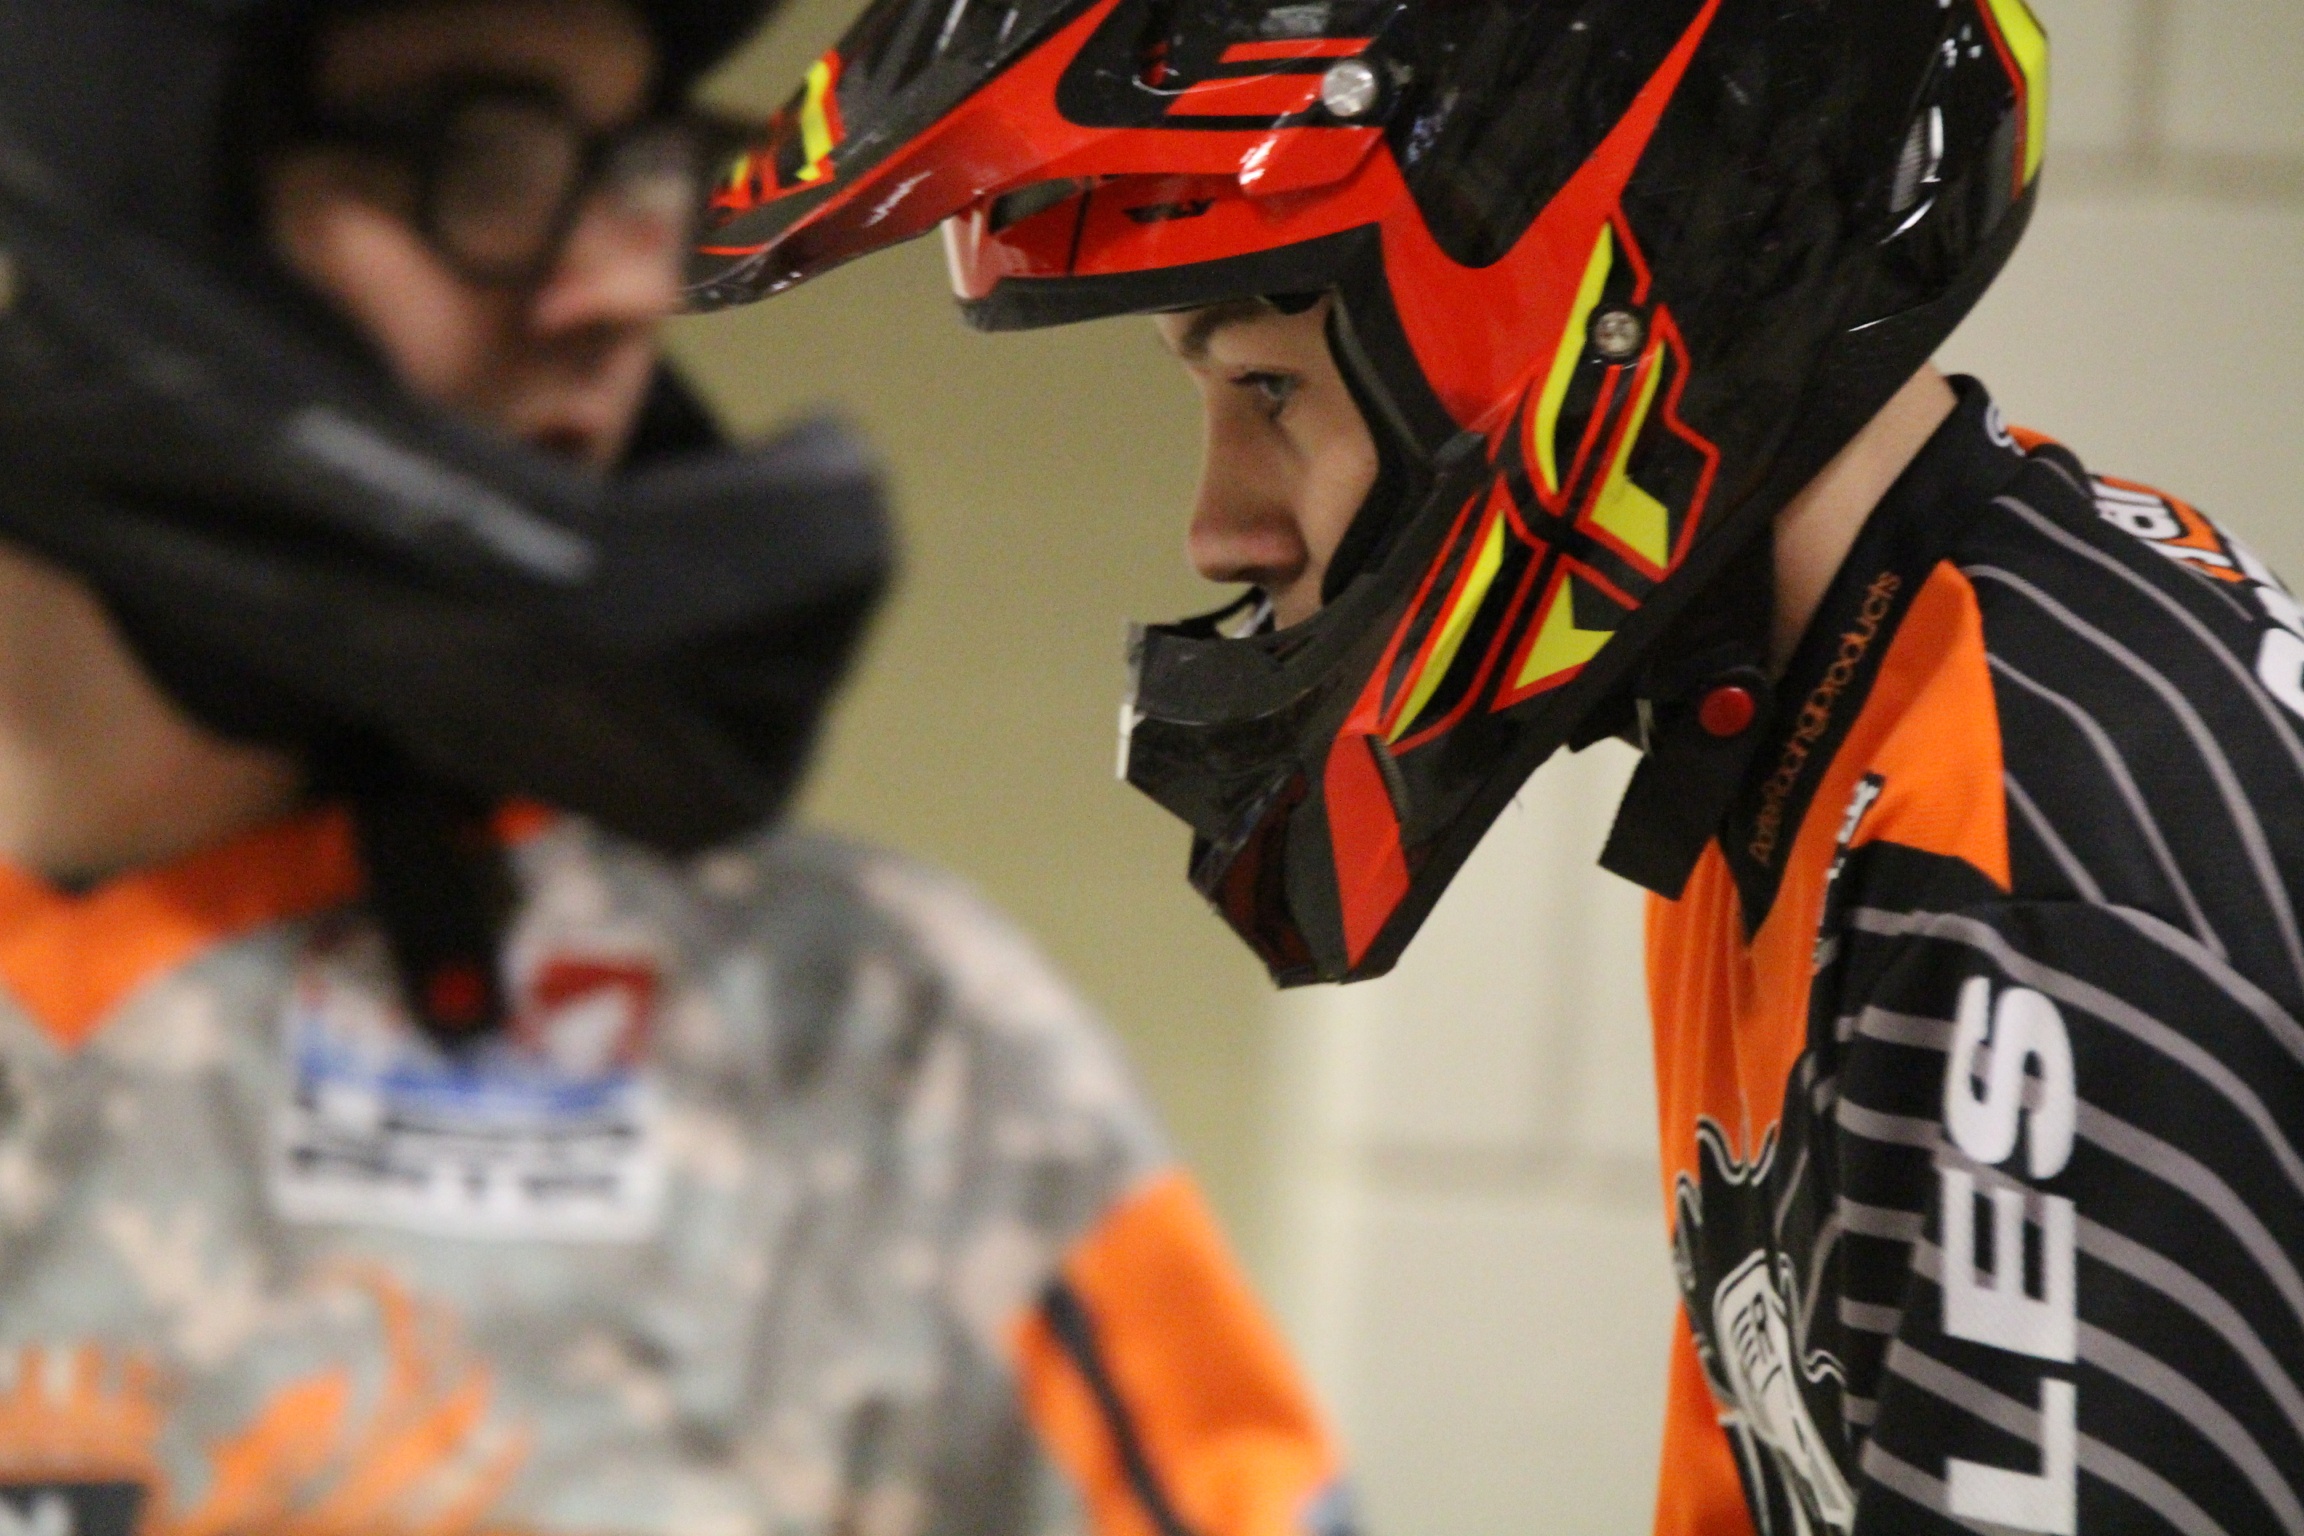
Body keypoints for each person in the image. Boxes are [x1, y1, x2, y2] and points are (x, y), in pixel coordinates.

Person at [692, 0, 2304, 1530]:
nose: (1218, 528)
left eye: (1271, 388)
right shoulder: (1827, 736)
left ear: (1595, 287)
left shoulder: (2025, 852)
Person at [0, 4, 1348, 1534]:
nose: (622, 287)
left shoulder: (863, 1045)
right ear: (129, 164)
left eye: (637, 167)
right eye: (489, 157)